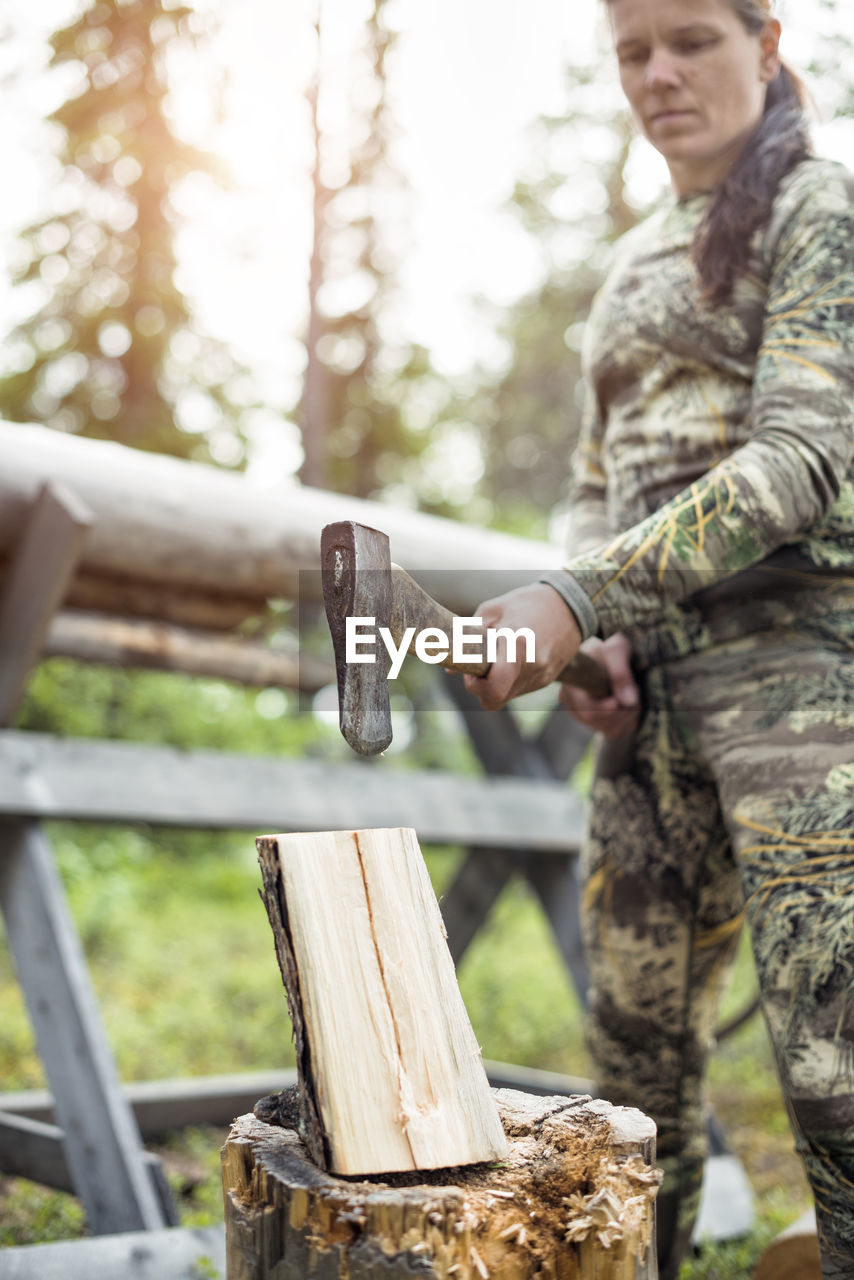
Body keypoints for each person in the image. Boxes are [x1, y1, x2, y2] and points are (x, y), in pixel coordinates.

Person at [462, 1, 854, 1275]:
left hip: (804, 688)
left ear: (768, 42)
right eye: (631, 51)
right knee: (628, 1089)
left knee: (830, 1065)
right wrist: (600, 635)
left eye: (689, 39)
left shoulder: (819, 209)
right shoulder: (631, 261)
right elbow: (595, 475)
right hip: (651, 715)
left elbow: (800, 461)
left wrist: (576, 596)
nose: (657, 74)